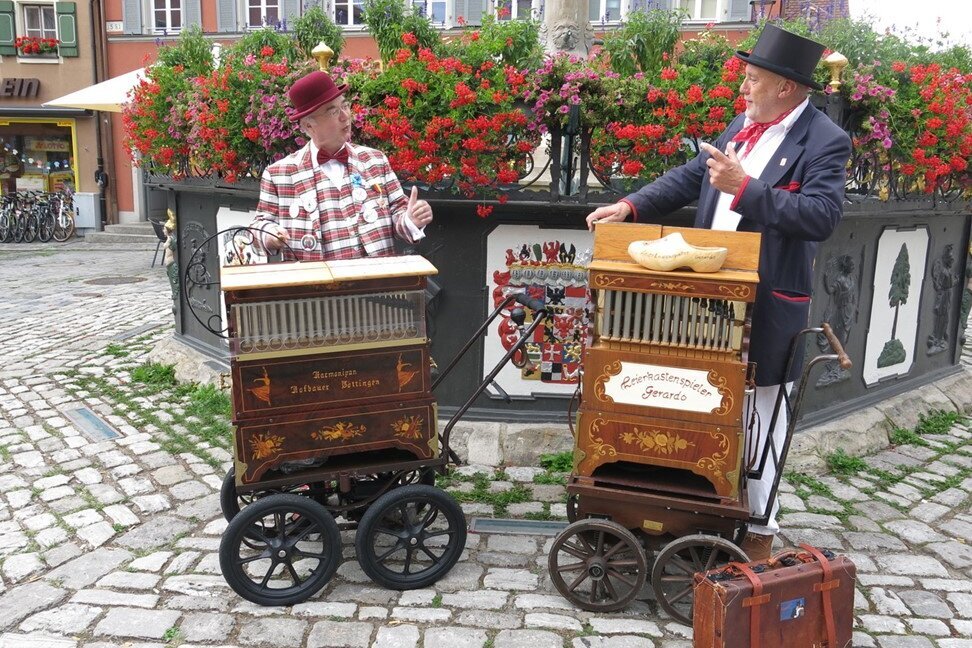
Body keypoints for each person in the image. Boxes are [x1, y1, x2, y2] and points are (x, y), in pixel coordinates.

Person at [585, 25, 852, 561]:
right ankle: (695, 503)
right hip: (706, 295)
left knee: (763, 413)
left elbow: (821, 217)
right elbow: (690, 178)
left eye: (752, 79)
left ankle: (760, 529)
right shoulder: (743, 125)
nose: (743, 89)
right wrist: (630, 207)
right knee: (699, 400)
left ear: (785, 87)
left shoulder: (825, 140)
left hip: (770, 301)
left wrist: (747, 189)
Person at [253, 70, 433, 260]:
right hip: (316, 286)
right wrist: (271, 235)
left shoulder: (375, 160)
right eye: (333, 111)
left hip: (376, 284)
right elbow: (258, 227)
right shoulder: (279, 174)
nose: (345, 116)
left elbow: (399, 213)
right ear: (308, 126)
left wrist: (411, 220)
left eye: (345, 106)